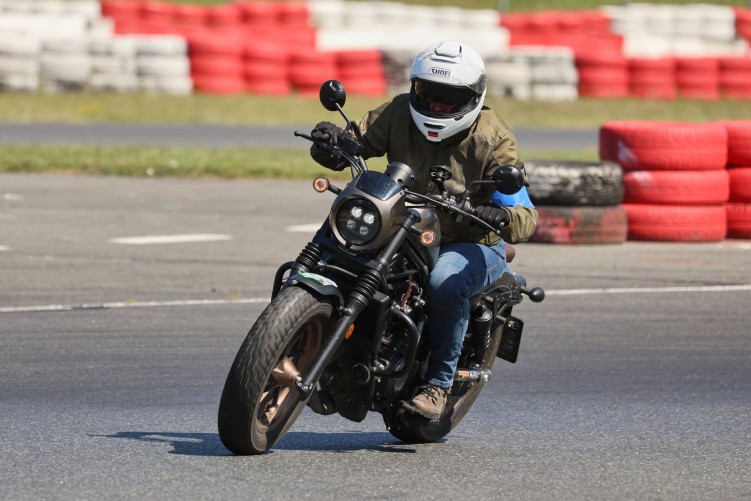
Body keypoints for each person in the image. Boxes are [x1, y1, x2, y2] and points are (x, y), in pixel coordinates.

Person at [309, 40, 538, 421]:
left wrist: (498, 215)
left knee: (444, 280)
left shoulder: (494, 139)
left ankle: (438, 385)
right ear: (416, 88)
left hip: (468, 240)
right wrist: (330, 142)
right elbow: (355, 143)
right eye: (430, 95)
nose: (437, 107)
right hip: (402, 225)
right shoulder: (399, 112)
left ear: (472, 98)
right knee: (345, 238)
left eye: (449, 100)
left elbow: (525, 215)